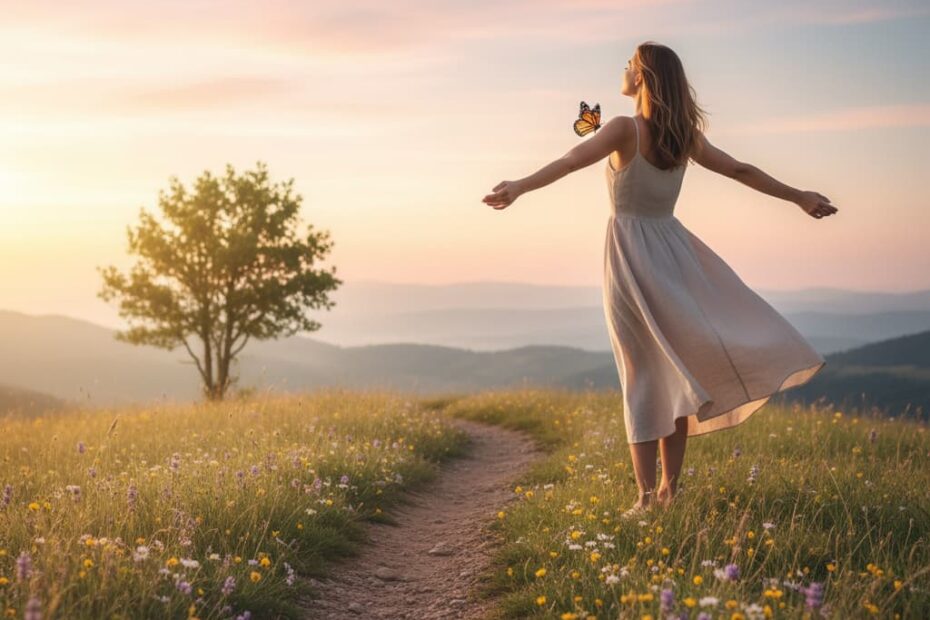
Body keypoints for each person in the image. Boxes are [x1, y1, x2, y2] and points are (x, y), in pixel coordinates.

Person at [481, 41, 838, 518]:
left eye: (630, 65)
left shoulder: (624, 128)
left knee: (643, 373)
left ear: (644, 76)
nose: (623, 71)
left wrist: (520, 186)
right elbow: (740, 169)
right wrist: (799, 196)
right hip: (675, 254)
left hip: (630, 256)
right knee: (673, 370)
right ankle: (669, 491)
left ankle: (647, 497)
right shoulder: (682, 134)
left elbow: (571, 158)